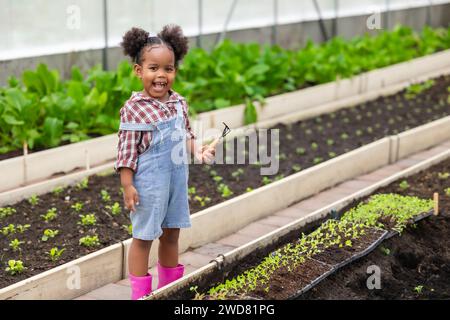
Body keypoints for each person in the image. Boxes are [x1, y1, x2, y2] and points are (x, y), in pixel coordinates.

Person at [115, 24, 215, 300]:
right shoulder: (134, 109)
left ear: (175, 72)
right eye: (153, 68)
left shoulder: (178, 103)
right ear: (139, 71)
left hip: (175, 182)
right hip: (148, 185)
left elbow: (187, 135)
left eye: (168, 69)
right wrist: (127, 186)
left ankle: (170, 291)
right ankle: (140, 296)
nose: (161, 75)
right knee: (144, 237)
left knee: (171, 234)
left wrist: (198, 151)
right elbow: (125, 153)